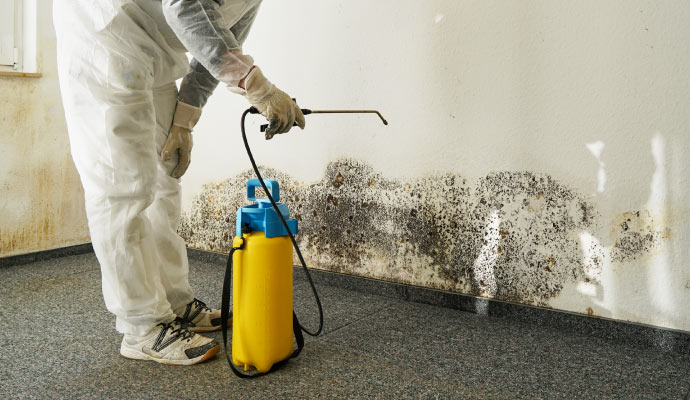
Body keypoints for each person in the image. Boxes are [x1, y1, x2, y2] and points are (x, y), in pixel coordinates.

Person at [53, 0, 304, 366]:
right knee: (123, 187)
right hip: (105, 38)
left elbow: (218, 41)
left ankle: (175, 303)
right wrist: (259, 88)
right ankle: (142, 326)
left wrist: (184, 119)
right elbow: (185, 5)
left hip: (153, 52)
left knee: (165, 177)